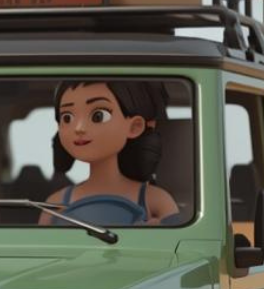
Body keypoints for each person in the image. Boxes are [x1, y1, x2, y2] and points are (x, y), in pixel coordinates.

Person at [40, 80, 179, 226]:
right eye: (67, 118)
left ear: (134, 126)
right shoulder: (55, 202)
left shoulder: (156, 199)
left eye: (98, 116)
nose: (79, 128)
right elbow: (40, 246)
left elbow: (177, 241)